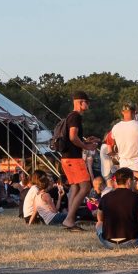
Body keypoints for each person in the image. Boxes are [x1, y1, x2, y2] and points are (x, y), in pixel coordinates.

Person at [60, 91, 99, 230]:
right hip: (73, 158)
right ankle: (69, 219)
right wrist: (86, 146)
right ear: (80, 102)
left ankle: (70, 219)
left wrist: (86, 141)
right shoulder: (76, 116)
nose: (88, 105)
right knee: (86, 187)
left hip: (66, 158)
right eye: (87, 102)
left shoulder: (70, 116)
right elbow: (72, 137)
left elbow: (73, 137)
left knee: (75, 187)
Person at [95, 168, 138, 248]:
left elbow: (100, 219)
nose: (134, 182)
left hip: (109, 242)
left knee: (99, 224)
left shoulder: (105, 197)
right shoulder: (136, 197)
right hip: (132, 241)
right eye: (134, 180)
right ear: (129, 181)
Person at [109, 103, 138, 173]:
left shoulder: (115, 127)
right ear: (135, 112)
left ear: (122, 112)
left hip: (124, 167)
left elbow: (112, 145)